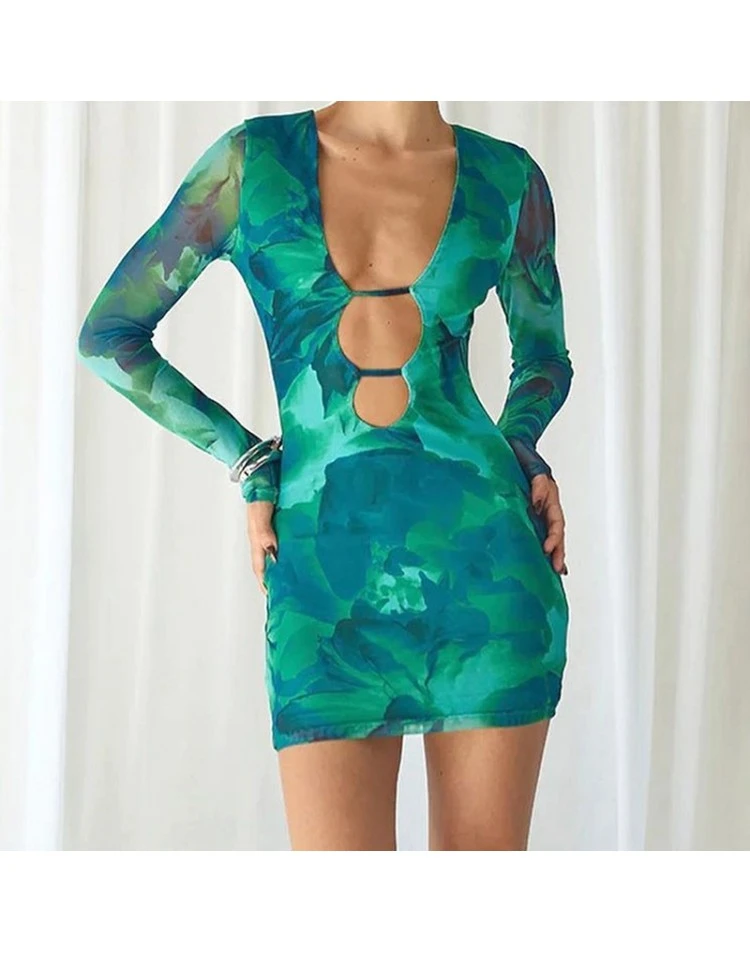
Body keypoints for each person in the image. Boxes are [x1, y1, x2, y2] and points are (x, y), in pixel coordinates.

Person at [78, 101, 573, 851]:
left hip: (489, 573)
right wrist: (246, 456)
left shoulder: (508, 179)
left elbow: (543, 358)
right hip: (322, 588)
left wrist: (521, 448)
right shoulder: (252, 163)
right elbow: (109, 336)